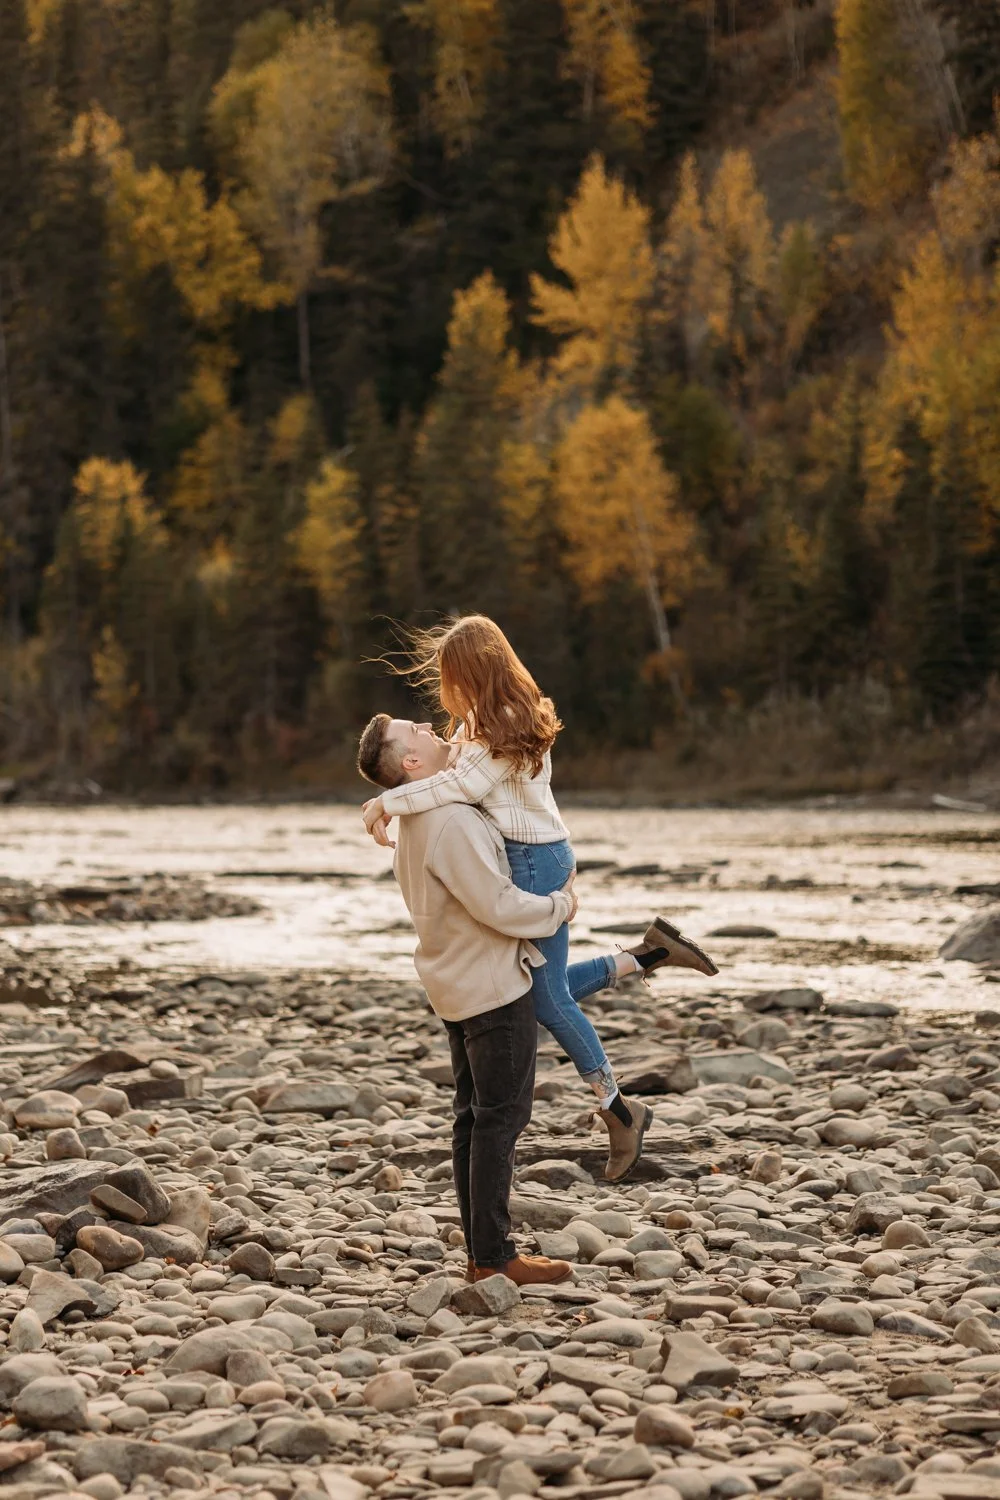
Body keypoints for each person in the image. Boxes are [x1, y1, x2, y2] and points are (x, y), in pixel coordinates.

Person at [359, 615, 720, 1183]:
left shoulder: (498, 723)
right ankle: (650, 955)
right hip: (536, 855)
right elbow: (451, 777)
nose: (443, 688)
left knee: (545, 1001)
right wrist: (396, 795)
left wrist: (388, 802)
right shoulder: (487, 719)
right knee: (539, 989)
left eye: (449, 674)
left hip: (532, 863)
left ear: (471, 671)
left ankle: (620, 1110)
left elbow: (460, 787)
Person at [357, 712, 576, 1285]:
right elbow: (498, 905)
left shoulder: (417, 818)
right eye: (419, 731)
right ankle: (495, 1257)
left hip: (455, 982)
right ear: (410, 763)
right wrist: (561, 905)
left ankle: (484, 1252)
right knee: (500, 1120)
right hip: (491, 986)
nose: (433, 727)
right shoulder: (448, 819)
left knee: (473, 1120)